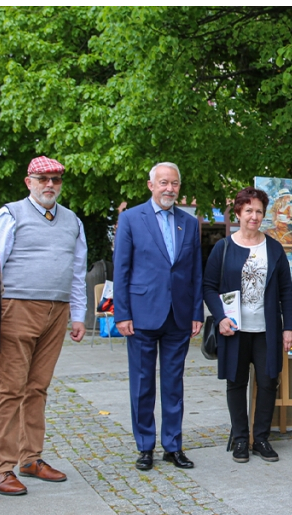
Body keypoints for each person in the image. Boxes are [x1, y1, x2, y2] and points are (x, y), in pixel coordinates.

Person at [0, 156, 87, 495]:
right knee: (11, 388)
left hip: (56, 310)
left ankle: (30, 458)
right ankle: (0, 467)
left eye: (56, 180)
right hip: (17, 306)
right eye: (42, 179)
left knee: (38, 387)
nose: (50, 185)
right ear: (28, 181)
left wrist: (78, 314)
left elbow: (77, 269)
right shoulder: (11, 213)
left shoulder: (72, 220)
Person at [114, 162, 204, 471]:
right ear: (151, 185)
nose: (169, 188)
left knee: (173, 383)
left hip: (178, 315)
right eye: (164, 182)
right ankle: (145, 446)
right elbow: (121, 269)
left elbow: (194, 271)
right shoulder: (130, 219)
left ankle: (173, 446)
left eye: (175, 183)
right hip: (141, 315)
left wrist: (196, 313)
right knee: (142, 383)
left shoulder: (189, 223)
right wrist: (121, 313)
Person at [203, 187, 292, 463]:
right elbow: (208, 287)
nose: (254, 216)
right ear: (239, 213)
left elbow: (286, 291)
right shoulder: (224, 247)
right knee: (236, 381)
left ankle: (262, 438)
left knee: (268, 381)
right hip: (234, 329)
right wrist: (220, 318)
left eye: (258, 211)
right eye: (248, 211)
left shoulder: (274, 248)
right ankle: (241, 439)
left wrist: (288, 327)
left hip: (266, 329)